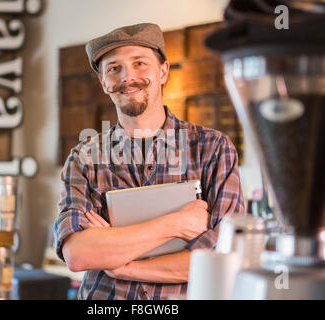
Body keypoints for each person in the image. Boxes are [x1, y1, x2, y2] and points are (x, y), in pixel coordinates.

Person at [54, 23, 244, 300]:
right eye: (114, 68)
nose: (128, 77)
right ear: (104, 83)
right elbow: (78, 254)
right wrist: (177, 223)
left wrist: (122, 266)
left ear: (163, 71)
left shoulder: (213, 149)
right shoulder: (84, 158)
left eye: (139, 63)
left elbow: (221, 256)